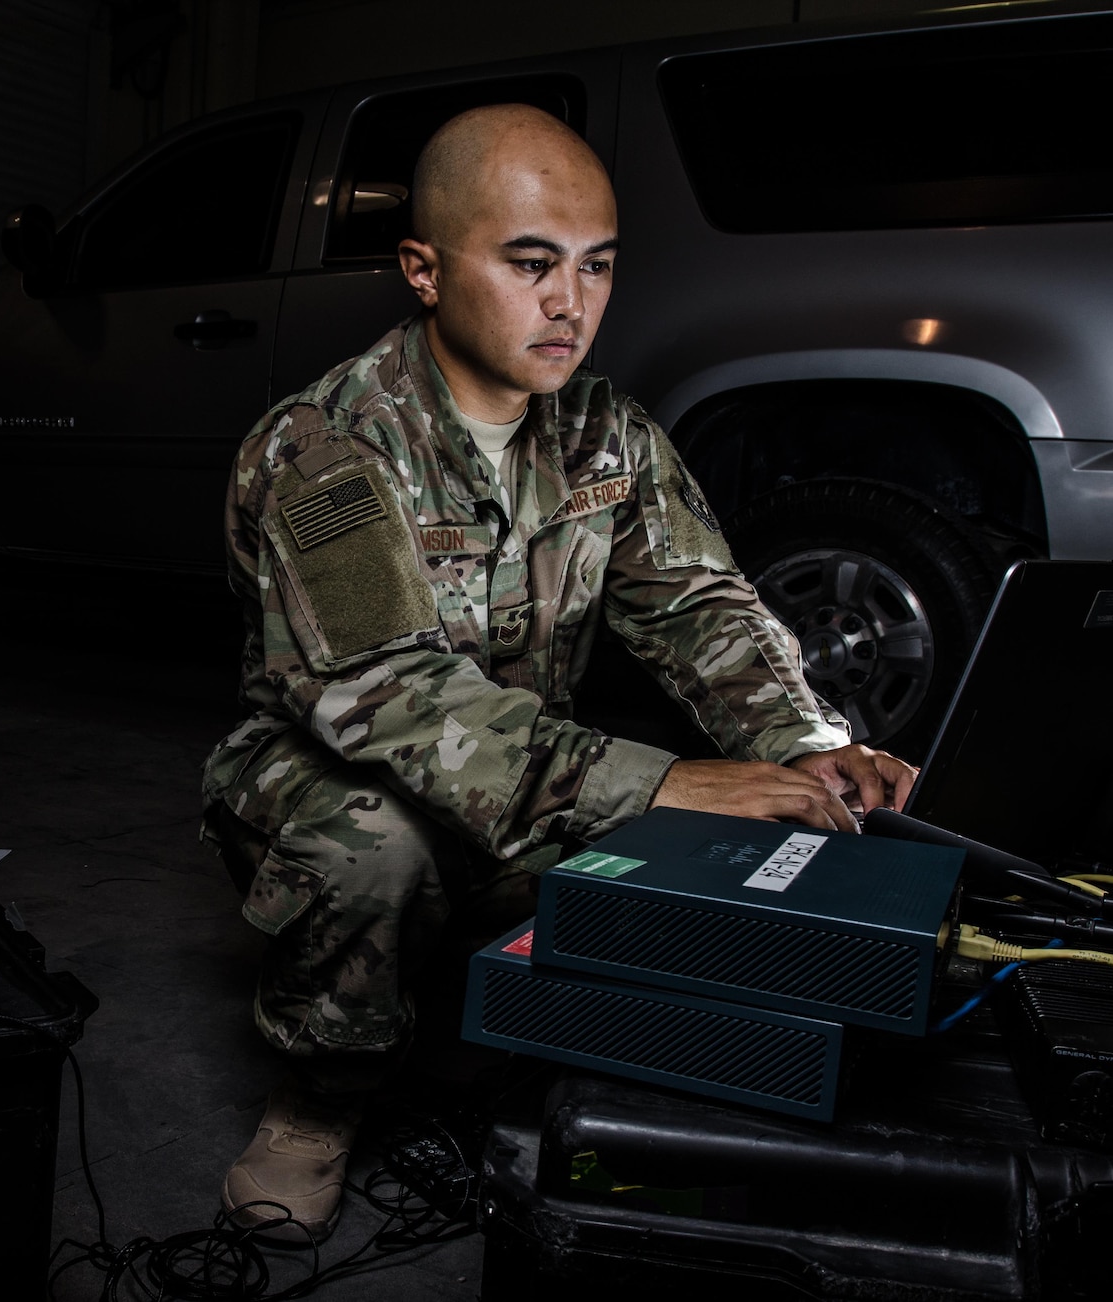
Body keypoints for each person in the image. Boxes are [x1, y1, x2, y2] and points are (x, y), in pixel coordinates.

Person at [198, 103, 917, 1241]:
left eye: (594, 268)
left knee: (766, 823)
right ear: (423, 271)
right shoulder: (327, 448)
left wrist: (805, 743)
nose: (568, 304)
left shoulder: (605, 434)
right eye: (529, 264)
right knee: (374, 844)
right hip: (328, 771)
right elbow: (379, 696)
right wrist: (651, 785)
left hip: (526, 763)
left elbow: (696, 604)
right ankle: (318, 1095)